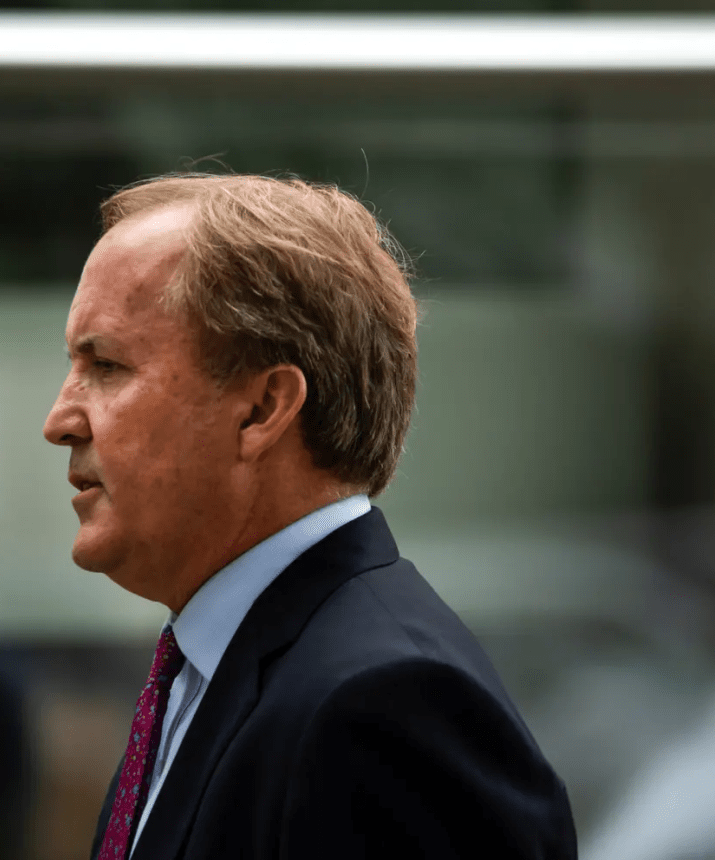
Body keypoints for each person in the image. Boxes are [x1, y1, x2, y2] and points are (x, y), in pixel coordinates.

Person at [42, 173, 577, 860]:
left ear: (263, 409)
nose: (60, 419)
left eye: (107, 365)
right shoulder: (214, 667)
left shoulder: (382, 705)